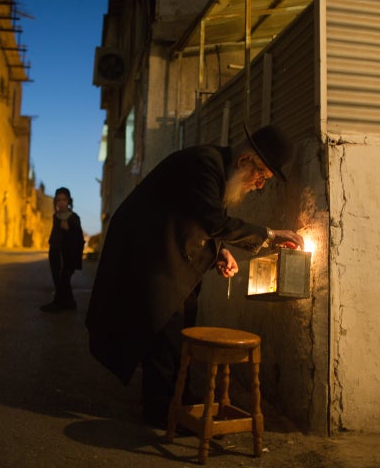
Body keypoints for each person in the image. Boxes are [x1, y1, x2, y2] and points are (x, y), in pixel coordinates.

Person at [85, 124, 304, 425]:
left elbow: (196, 216)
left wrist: (220, 252)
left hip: (166, 254)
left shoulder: (215, 168)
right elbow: (212, 220)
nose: (260, 185)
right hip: (149, 254)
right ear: (245, 161)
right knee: (164, 331)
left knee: (181, 328)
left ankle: (179, 402)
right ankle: (163, 413)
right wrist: (269, 235)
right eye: (262, 175)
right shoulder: (205, 163)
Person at [41, 187, 85, 312]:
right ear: (55, 202)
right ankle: (69, 303)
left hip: (66, 255)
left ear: (69, 201)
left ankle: (58, 303)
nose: (61, 202)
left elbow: (78, 239)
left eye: (64, 200)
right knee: (58, 279)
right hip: (54, 251)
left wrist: (68, 230)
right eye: (58, 200)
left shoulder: (73, 217)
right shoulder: (56, 216)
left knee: (63, 280)